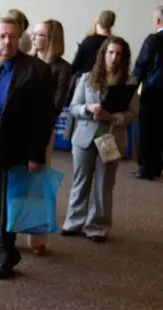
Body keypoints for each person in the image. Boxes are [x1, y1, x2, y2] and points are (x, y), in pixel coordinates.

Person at [0, 18, 55, 280]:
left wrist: (36, 154)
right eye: (3, 36)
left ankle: (6, 256)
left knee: (7, 206)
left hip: (13, 147)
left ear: (20, 39)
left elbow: (44, 117)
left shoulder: (36, 70)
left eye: (13, 37)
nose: (8, 42)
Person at [63, 37, 137, 242]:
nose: (113, 58)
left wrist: (113, 117)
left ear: (124, 58)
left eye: (118, 54)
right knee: (80, 181)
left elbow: (133, 114)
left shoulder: (129, 82)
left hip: (111, 138)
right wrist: (88, 108)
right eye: (110, 52)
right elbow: (73, 108)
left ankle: (97, 227)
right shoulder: (87, 78)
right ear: (102, 54)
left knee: (104, 185)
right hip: (85, 136)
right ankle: (73, 222)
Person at [26, 19, 71, 256]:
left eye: (40, 34)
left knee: (39, 185)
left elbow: (55, 105)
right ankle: (12, 232)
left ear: (52, 38)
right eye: (34, 33)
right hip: (20, 130)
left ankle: (37, 238)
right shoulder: (26, 62)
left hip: (42, 130)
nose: (34, 37)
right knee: (17, 183)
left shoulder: (62, 68)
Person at [132, 6, 163, 181]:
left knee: (147, 130)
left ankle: (146, 168)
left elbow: (141, 65)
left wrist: (131, 89)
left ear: (157, 20)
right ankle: (158, 166)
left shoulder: (153, 40)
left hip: (153, 91)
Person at [71, 10, 115, 77]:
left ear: (98, 22)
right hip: (106, 81)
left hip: (85, 81)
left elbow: (75, 66)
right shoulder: (115, 43)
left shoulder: (88, 41)